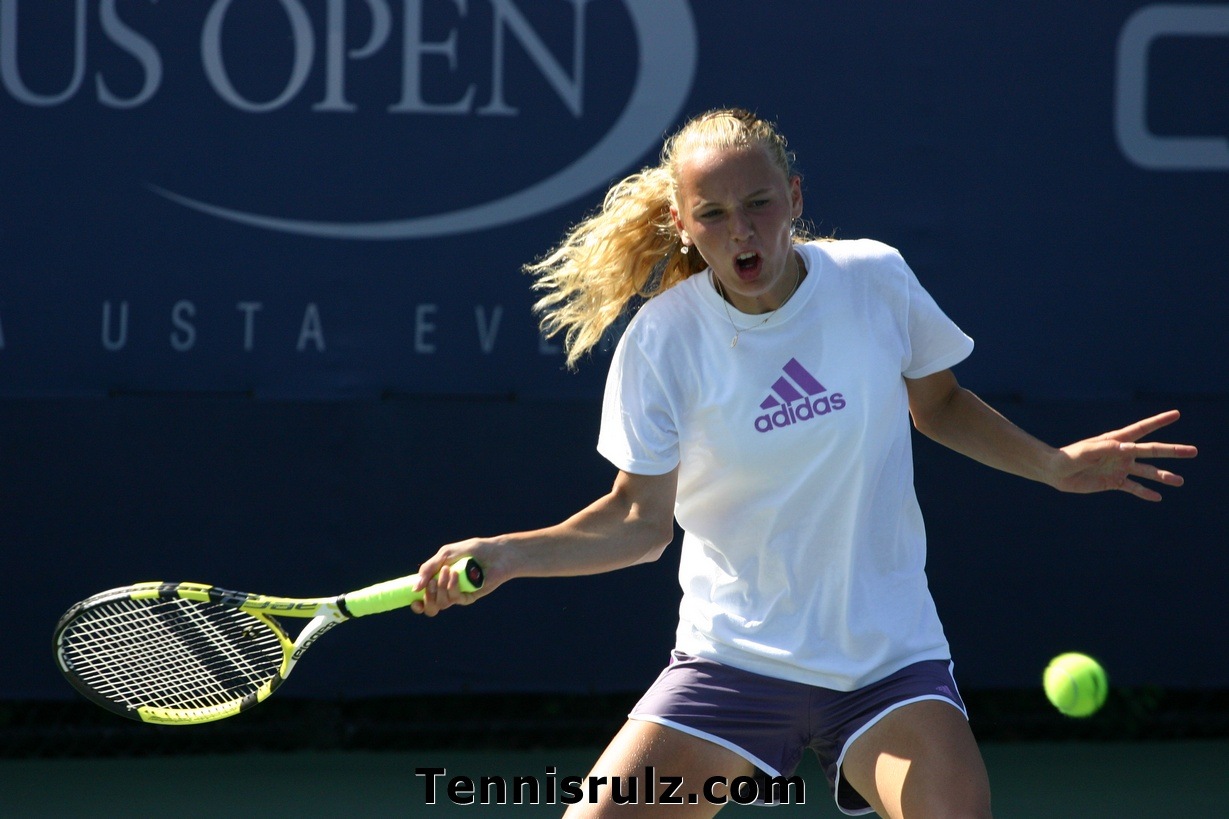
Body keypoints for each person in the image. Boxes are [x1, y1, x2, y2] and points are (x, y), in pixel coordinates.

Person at [409, 108, 1197, 818]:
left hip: (887, 661)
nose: (741, 231)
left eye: (757, 203)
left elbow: (940, 403)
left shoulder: (874, 279)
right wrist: (505, 554)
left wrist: (1054, 466)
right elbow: (636, 523)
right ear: (682, 224)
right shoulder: (664, 338)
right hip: (731, 662)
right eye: (713, 215)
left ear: (792, 195)